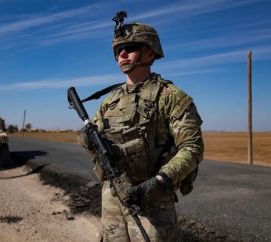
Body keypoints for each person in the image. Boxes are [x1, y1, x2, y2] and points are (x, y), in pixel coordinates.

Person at [86, 13, 204, 242]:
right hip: (113, 197)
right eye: (117, 50)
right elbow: (94, 144)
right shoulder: (109, 102)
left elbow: (192, 147)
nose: (121, 55)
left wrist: (159, 181)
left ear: (149, 52)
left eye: (129, 48)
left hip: (153, 202)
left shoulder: (171, 97)